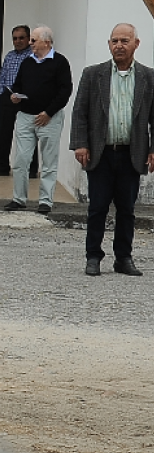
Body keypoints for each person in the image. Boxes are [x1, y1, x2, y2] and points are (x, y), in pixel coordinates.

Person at [70, 23, 154, 276]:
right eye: (114, 40)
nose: (119, 45)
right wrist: (80, 144)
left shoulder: (148, 77)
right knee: (97, 207)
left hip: (132, 153)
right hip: (100, 153)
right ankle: (93, 257)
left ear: (136, 44)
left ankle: (123, 258)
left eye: (125, 40)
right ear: (109, 44)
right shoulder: (93, 74)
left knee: (127, 209)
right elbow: (80, 112)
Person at [3, 26, 72, 214]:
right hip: (26, 116)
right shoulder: (27, 63)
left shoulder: (60, 62)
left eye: (33, 40)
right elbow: (18, 85)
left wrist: (48, 112)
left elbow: (65, 91)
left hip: (50, 118)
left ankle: (45, 201)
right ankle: (19, 198)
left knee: (49, 161)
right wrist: (15, 97)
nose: (30, 44)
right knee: (21, 159)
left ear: (47, 42)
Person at [0, 25, 37, 178]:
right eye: (15, 38)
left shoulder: (33, 56)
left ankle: (31, 169)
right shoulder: (9, 56)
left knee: (28, 134)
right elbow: (3, 74)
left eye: (21, 38)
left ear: (28, 39)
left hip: (26, 99)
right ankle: (1, 166)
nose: (18, 41)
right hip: (8, 97)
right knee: (3, 133)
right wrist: (3, 93)